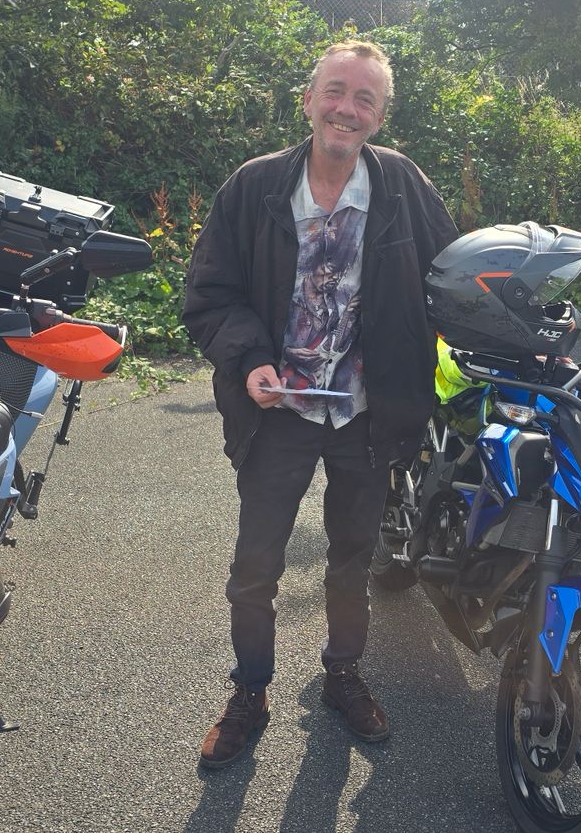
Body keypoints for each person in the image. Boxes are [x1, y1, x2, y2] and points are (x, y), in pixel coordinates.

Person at [181, 39, 460, 768]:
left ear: (379, 116)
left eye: (365, 99)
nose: (347, 108)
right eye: (336, 91)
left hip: (367, 413)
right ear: (308, 100)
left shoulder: (401, 185)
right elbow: (211, 294)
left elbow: (452, 280)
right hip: (279, 413)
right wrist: (247, 362)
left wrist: (516, 333)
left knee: (351, 558)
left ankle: (342, 675)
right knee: (256, 565)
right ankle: (250, 691)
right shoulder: (255, 187)